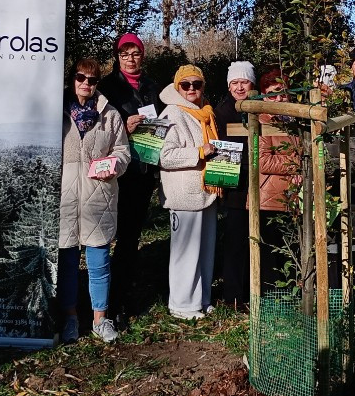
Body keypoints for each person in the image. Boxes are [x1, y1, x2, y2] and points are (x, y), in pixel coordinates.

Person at [58, 58, 131, 344]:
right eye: (81, 78)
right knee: (66, 262)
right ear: (72, 79)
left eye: (92, 80)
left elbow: (123, 150)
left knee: (99, 261)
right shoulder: (57, 113)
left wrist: (114, 165)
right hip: (65, 199)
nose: (86, 84)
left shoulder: (110, 115)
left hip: (98, 198)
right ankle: (69, 318)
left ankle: (101, 319)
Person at [97, 32, 162, 324]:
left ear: (143, 56)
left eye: (135, 53)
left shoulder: (152, 86)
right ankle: (103, 302)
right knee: (105, 237)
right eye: (125, 54)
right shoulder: (107, 87)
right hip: (116, 171)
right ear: (117, 57)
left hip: (143, 170)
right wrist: (124, 125)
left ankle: (121, 299)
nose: (131, 59)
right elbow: (96, 128)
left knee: (129, 237)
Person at [159, 65, 221, 319]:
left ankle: (201, 298)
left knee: (205, 250)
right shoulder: (171, 113)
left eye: (197, 84)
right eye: (186, 85)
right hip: (184, 193)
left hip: (207, 191)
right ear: (177, 87)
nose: (192, 89)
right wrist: (198, 152)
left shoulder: (206, 112)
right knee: (185, 252)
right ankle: (182, 304)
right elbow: (164, 156)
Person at [213, 61, 257, 309]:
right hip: (235, 187)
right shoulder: (221, 112)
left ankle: (255, 289)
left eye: (244, 82)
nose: (240, 87)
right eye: (235, 83)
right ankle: (233, 295)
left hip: (260, 183)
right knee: (235, 240)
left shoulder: (260, 109)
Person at [252, 69, 301, 289]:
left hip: (292, 197)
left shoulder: (295, 121)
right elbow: (262, 161)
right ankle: (271, 298)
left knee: (292, 249)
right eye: (273, 94)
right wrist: (297, 165)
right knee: (271, 251)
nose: (279, 99)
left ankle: (291, 295)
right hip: (269, 197)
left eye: (283, 93)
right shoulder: (260, 121)